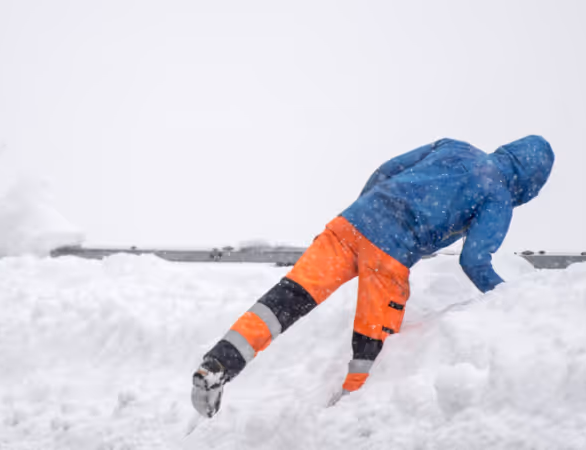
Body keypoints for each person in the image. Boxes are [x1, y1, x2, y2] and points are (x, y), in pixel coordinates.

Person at [191, 135, 555, 417]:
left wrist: (368, 213)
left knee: (289, 298)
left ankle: (219, 362)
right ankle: (349, 417)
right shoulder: (497, 194)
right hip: (389, 252)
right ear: (531, 184)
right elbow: (475, 261)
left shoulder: (454, 147)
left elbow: (386, 170)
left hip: (350, 225)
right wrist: (509, 298)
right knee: (374, 345)